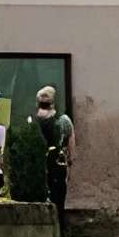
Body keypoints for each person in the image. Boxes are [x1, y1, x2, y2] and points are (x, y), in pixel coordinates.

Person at [30, 84, 74, 214]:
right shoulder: (63, 120)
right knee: (58, 199)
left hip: (37, 165)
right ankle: (58, 227)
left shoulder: (32, 119)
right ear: (54, 101)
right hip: (57, 164)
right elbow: (72, 144)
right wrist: (70, 164)